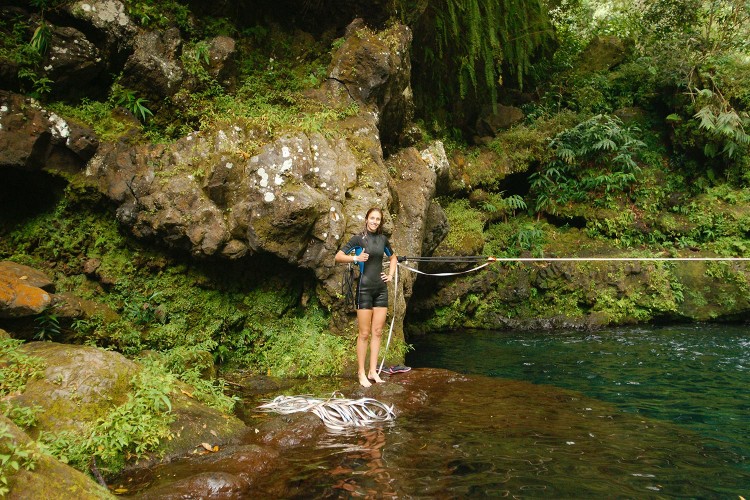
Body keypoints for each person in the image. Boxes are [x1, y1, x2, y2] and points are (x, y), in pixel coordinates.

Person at [335, 207, 398, 387]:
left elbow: (393, 257)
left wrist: (391, 275)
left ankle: (373, 371)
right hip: (364, 289)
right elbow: (338, 256)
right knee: (364, 333)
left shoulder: (382, 240)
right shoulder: (358, 239)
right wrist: (355, 259)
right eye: (372, 218)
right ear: (366, 219)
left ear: (380, 222)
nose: (375, 221)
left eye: (378, 219)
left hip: (381, 290)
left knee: (377, 332)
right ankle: (361, 372)